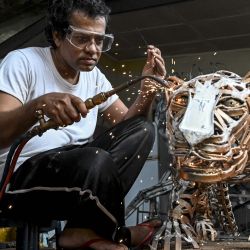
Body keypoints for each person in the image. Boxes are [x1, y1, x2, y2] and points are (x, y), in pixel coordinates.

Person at [0, 0, 166, 249]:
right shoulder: (22, 62)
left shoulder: (95, 76)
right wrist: (38, 106)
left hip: (79, 173)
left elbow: (125, 126)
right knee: (95, 158)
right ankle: (117, 234)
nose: (93, 49)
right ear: (57, 36)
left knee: (142, 131)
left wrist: (147, 92)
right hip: (22, 180)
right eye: (82, 39)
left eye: (99, 41)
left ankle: (80, 231)